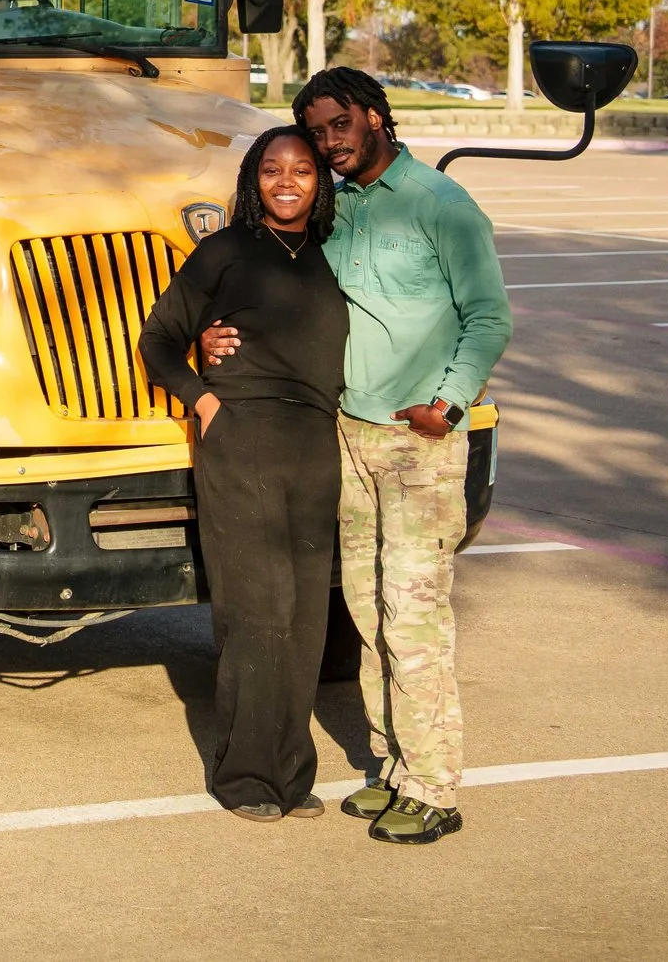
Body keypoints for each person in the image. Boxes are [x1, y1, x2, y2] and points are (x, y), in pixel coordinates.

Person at [202, 66, 511, 846]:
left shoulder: (441, 204)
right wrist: (209, 336)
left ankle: (436, 786)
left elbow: (489, 316)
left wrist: (448, 402)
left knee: (413, 615)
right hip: (347, 433)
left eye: (339, 125)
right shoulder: (333, 211)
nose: (327, 142)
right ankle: (396, 768)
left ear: (376, 118)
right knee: (368, 613)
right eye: (316, 130)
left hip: (419, 441)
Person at [139, 124, 348, 823]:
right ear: (252, 181)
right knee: (258, 610)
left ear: (321, 182)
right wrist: (204, 400)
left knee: (306, 616)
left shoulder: (332, 252)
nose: (286, 181)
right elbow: (158, 338)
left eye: (302, 170)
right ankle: (244, 777)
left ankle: (292, 773)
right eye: (271, 170)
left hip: (317, 445)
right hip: (243, 439)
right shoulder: (224, 250)